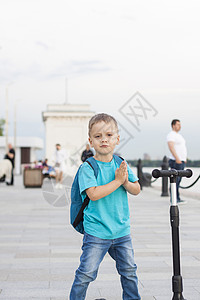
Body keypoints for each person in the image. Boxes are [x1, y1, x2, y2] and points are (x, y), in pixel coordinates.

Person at [69, 113, 141, 300]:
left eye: (109, 135)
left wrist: (125, 182)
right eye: (98, 136)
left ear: (117, 139)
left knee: (129, 272)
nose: (104, 140)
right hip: (97, 231)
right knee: (85, 274)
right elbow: (93, 194)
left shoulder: (121, 164)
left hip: (121, 231)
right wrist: (118, 181)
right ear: (90, 141)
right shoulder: (88, 167)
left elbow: (136, 189)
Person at [167, 119, 187, 203]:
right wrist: (178, 159)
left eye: (180, 124)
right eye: (178, 124)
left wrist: (184, 159)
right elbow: (171, 147)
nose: (180, 126)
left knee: (178, 181)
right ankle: (174, 199)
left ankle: (177, 198)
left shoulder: (179, 135)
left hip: (181, 161)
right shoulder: (171, 135)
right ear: (173, 125)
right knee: (175, 180)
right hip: (176, 161)